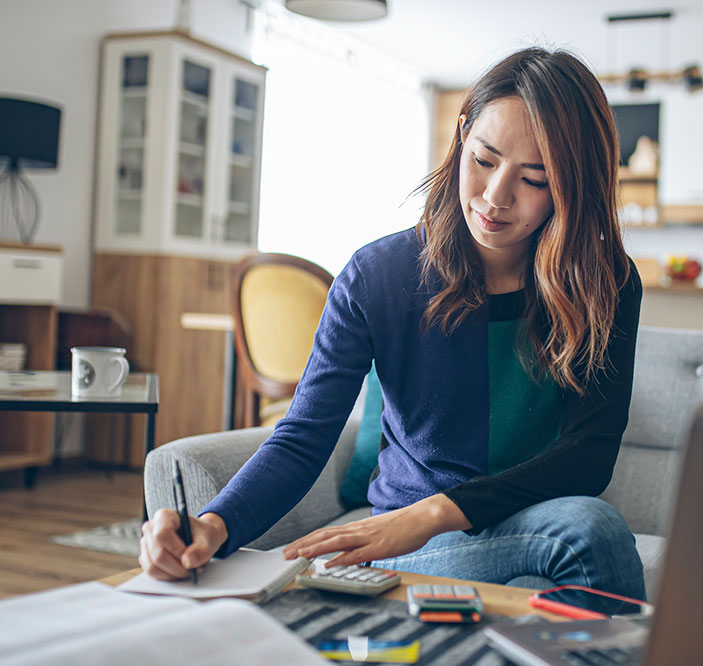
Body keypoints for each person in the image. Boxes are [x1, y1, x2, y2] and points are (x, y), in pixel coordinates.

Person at [139, 47, 645, 599]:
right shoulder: (378, 276)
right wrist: (212, 526)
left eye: (535, 179)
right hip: (415, 544)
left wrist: (430, 513)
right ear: (461, 135)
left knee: (584, 531)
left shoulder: (605, 282)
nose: (496, 197)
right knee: (587, 536)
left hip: (520, 521)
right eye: (483, 160)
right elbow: (303, 437)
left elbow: (589, 456)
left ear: (573, 186)